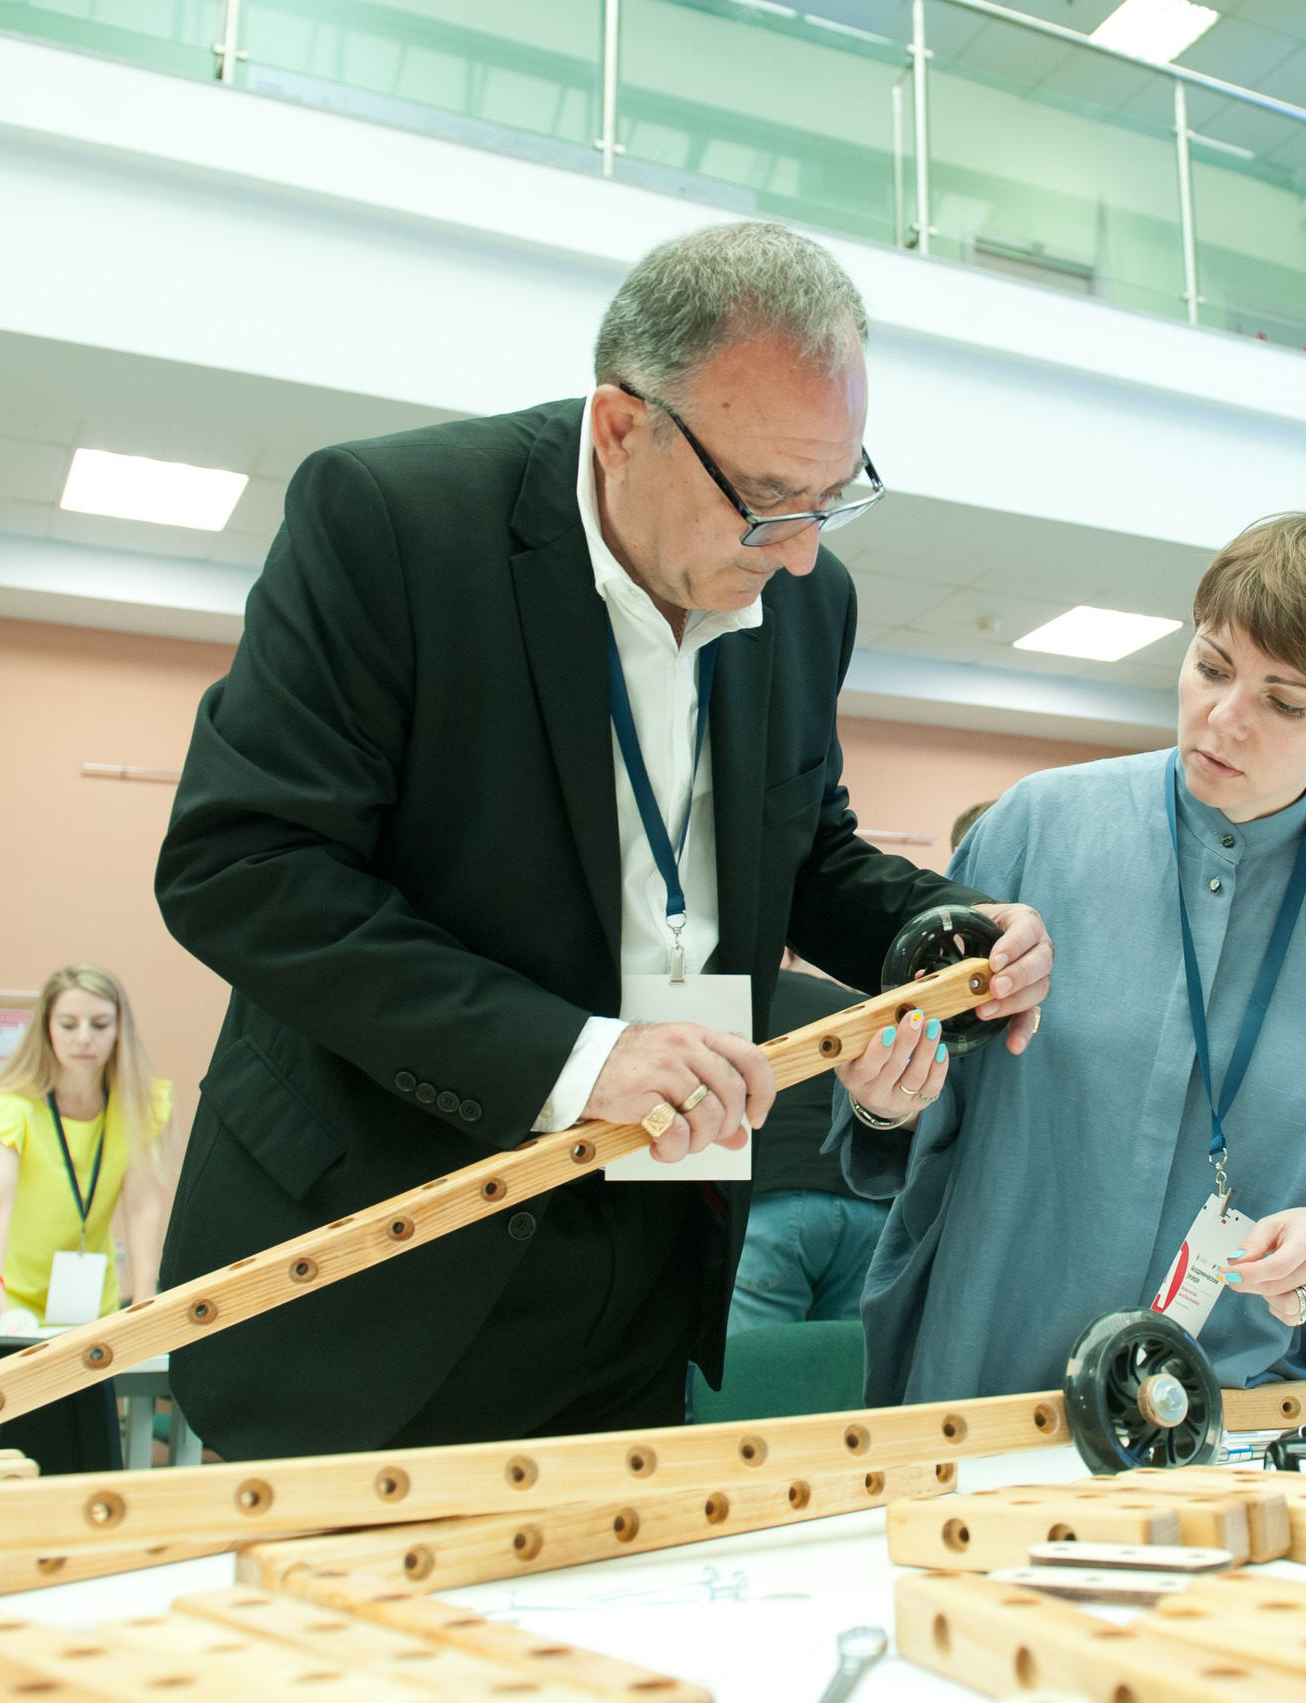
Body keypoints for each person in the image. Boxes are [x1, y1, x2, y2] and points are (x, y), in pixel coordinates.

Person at [154, 222, 1050, 1459]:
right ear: (623, 426)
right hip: (381, 1265)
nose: (799, 551)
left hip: (645, 1261)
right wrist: (576, 1058)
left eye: (833, 497)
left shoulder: (801, 598)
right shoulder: (393, 521)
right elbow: (246, 867)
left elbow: (801, 849)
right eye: (768, 502)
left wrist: (931, 927)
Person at [835, 511, 1306, 1401]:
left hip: (1249, 1406)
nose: (1223, 718)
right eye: (1212, 666)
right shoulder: (1037, 827)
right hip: (992, 1374)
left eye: (1284, 701)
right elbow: (920, 1097)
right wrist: (889, 1102)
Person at [0, 965, 172, 1334]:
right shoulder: (7, 1108)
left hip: (88, 1296)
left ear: (120, 1030)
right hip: (2, 1296)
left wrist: (146, 1294)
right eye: (68, 1025)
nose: (84, 1038)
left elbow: (142, 1204)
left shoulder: (141, 1108)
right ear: (47, 1029)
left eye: (99, 1025)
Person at [726, 961, 889, 1330]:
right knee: (843, 1372)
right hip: (869, 1206)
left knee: (752, 1373)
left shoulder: (757, 997)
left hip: (773, 1202)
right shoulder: (866, 1010)